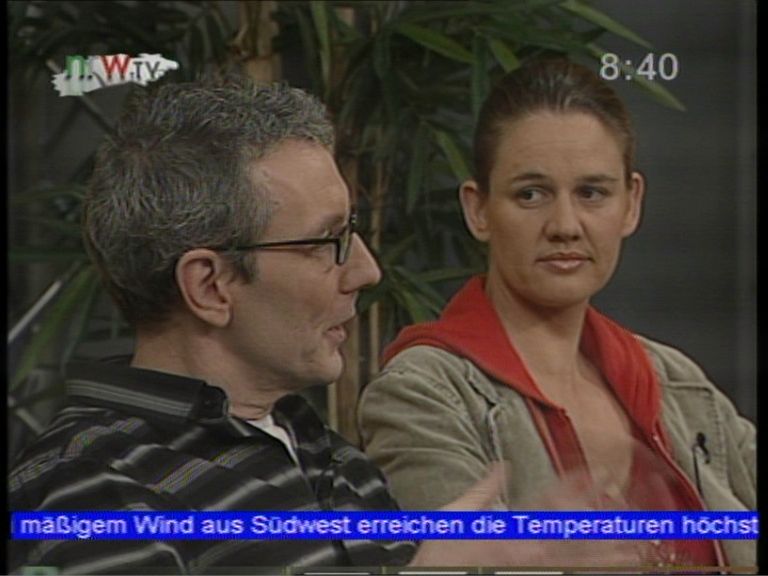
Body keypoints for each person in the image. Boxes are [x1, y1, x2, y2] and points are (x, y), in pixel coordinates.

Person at [9, 75, 641, 574]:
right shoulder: (88, 488)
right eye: (326, 242)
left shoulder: (336, 462)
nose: (366, 270)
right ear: (210, 286)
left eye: (353, 231)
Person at [357, 58, 756, 570]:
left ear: (631, 203)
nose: (565, 225)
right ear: (478, 210)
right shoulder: (423, 394)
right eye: (531, 194)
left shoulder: (676, 382)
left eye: (592, 193)